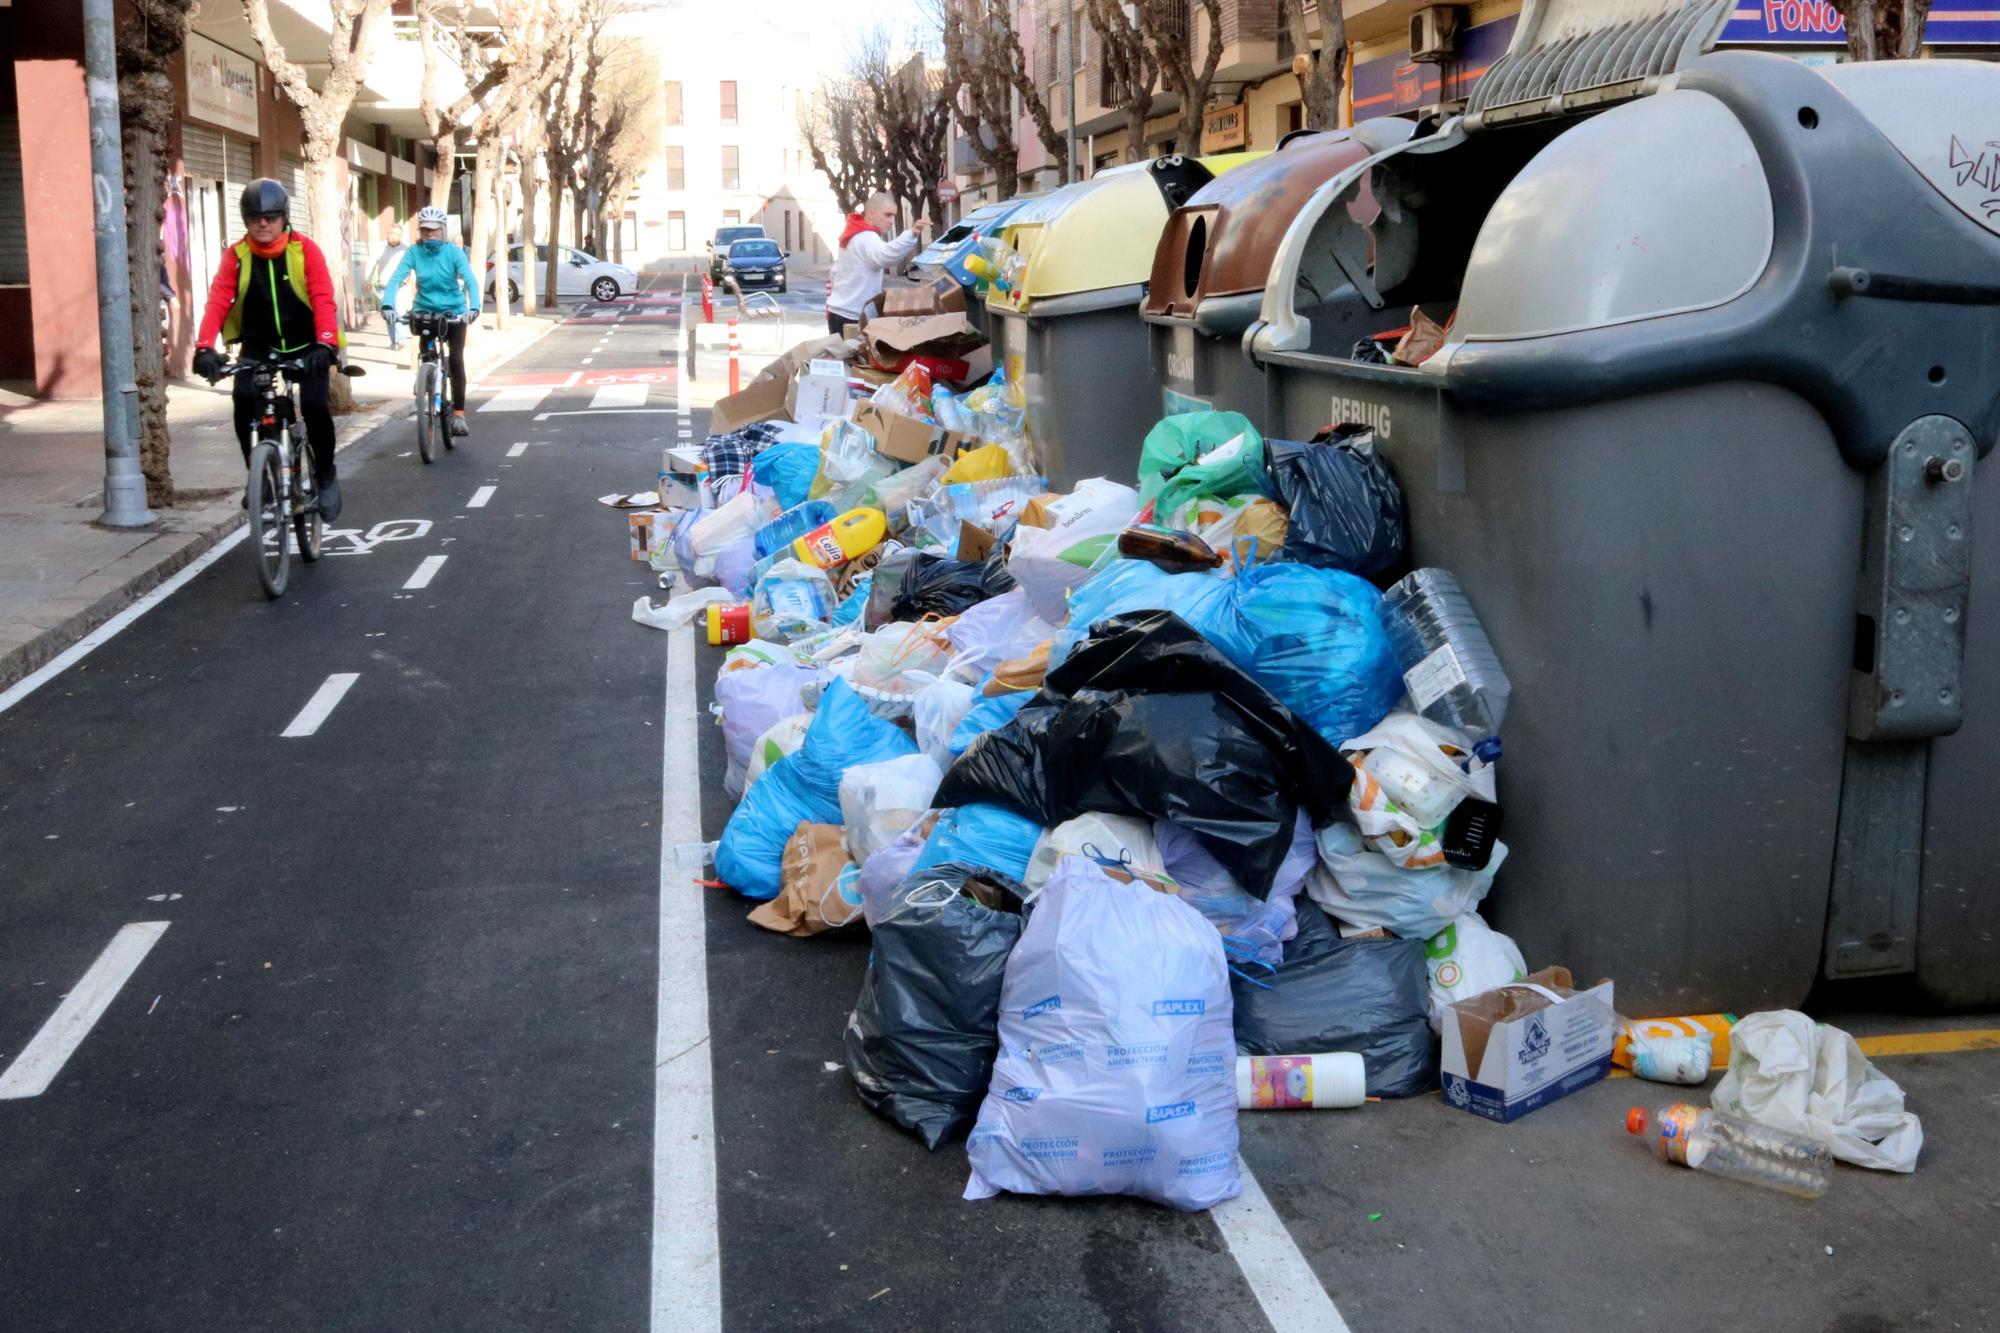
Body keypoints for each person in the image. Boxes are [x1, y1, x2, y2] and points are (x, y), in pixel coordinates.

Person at [191, 178, 344, 521]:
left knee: (316, 405)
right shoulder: (237, 256)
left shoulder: (305, 250)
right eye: (255, 217)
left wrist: (326, 344)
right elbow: (218, 300)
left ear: (284, 218)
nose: (263, 223)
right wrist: (204, 348)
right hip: (258, 345)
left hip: (307, 344)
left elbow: (322, 297)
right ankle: (258, 476)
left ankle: (326, 473)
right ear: (245, 220)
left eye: (271, 217)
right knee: (243, 400)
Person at [378, 205, 482, 436]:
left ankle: (459, 415)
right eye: (425, 230)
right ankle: (427, 378)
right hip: (425, 311)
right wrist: (387, 304)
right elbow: (396, 278)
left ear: (443, 231)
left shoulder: (454, 252)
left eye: (434, 230)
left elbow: (471, 281)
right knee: (426, 354)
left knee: (455, 359)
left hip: (454, 313)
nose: (430, 235)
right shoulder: (414, 253)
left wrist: (473, 308)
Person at [826, 192, 928, 334]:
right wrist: (911, 235)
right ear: (871, 214)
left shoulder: (855, 233)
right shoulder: (867, 237)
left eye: (893, 215)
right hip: (852, 316)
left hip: (842, 312)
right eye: (888, 215)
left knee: (844, 355)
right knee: (854, 355)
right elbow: (885, 255)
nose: (892, 221)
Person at [368, 228, 411, 351]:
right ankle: (394, 340)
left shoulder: (405, 249)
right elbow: (371, 263)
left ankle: (401, 339)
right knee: (389, 314)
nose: (394, 236)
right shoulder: (379, 247)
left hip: (400, 286)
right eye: (392, 233)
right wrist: (368, 279)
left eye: (397, 234)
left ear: (400, 236)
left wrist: (410, 277)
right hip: (384, 286)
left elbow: (410, 265)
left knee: (400, 311)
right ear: (388, 233)